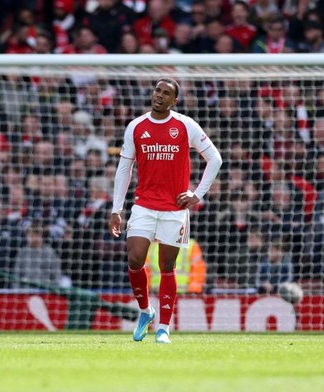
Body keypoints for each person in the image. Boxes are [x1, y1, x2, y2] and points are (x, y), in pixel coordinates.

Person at [109, 78, 222, 344]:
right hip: (144, 205)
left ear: (174, 100)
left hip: (174, 208)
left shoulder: (185, 125)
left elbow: (215, 158)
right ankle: (146, 311)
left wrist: (196, 195)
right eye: (157, 90)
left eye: (166, 93)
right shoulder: (136, 126)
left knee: (167, 266)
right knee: (135, 258)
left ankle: (163, 328)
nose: (159, 95)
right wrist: (117, 209)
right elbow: (124, 170)